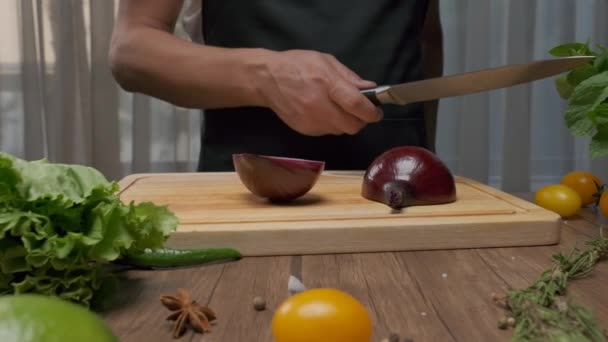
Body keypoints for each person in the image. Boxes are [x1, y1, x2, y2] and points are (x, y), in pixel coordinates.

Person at [109, 0, 443, 172]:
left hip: (395, 193)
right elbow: (132, 50)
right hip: (247, 194)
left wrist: (426, 155)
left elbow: (424, 36)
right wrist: (265, 76)